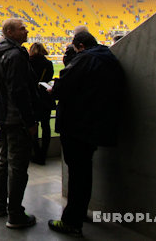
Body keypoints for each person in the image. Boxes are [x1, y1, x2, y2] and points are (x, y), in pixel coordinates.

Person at [48, 31, 124, 237]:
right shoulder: (108, 58)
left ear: (79, 46)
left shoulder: (85, 59)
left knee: (78, 173)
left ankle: (72, 221)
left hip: (77, 125)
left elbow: (61, 88)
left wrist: (51, 90)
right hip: (95, 125)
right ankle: (79, 212)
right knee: (84, 172)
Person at [0, 18, 39, 229]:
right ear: (10, 32)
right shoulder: (16, 55)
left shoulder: (0, 53)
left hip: (3, 115)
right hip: (16, 118)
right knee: (18, 166)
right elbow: (19, 91)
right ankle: (15, 214)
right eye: (22, 29)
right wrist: (29, 121)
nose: (26, 31)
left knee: (3, 161)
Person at [28, 42, 55, 165]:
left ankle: (36, 153)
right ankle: (43, 154)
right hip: (45, 97)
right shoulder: (48, 63)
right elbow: (49, 79)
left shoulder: (28, 62)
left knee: (32, 126)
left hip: (32, 98)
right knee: (46, 126)